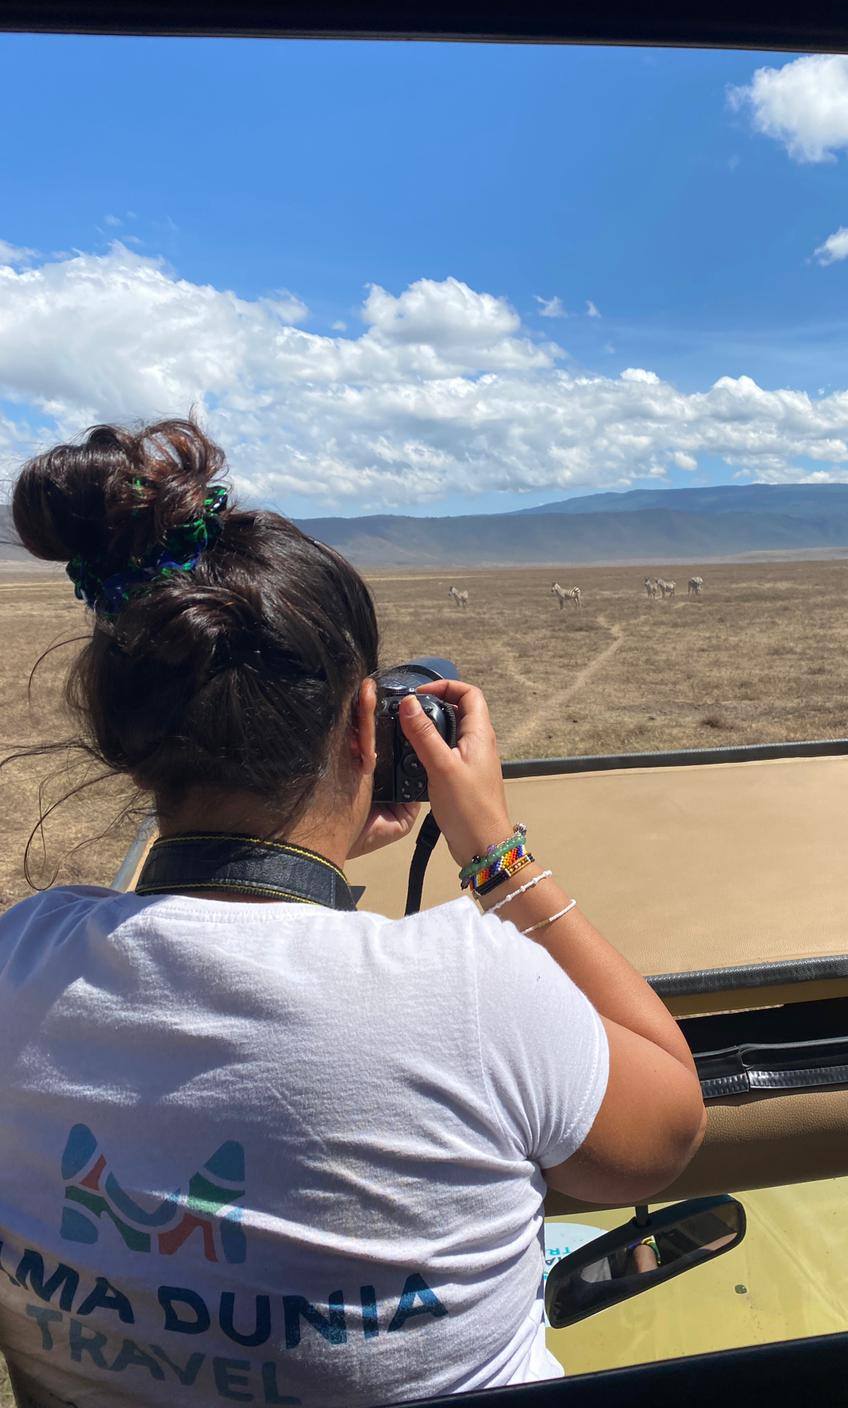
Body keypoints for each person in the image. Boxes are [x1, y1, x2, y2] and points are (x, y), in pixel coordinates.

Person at [0, 419, 706, 1407]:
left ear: (130, 740)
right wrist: (498, 860)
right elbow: (666, 1129)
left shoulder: (19, 960)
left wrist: (313, 845)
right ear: (369, 729)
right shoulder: (467, 988)